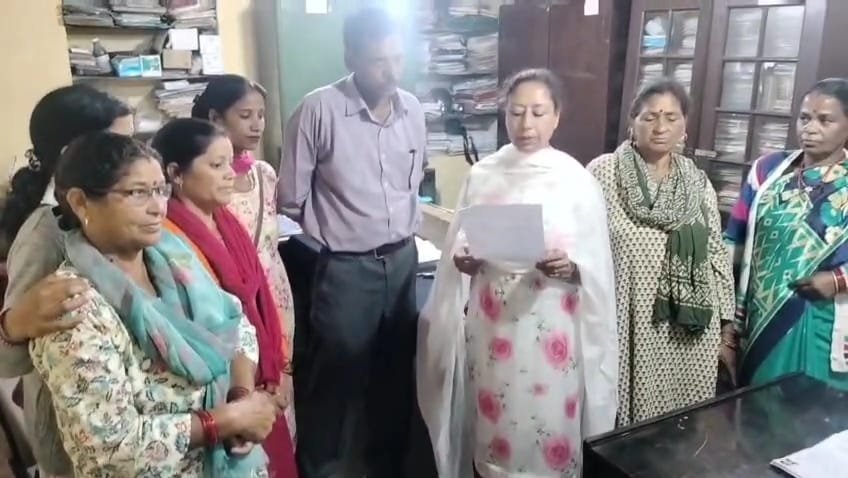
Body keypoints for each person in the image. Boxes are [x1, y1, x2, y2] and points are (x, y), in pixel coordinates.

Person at [30, 131, 277, 476]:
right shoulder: (75, 306)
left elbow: (237, 324)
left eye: (161, 190)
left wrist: (240, 396)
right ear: (81, 202)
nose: (157, 206)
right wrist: (225, 421)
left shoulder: (175, 261)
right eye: (137, 193)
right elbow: (109, 447)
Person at [417, 68, 618, 478]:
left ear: (556, 116)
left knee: (548, 430)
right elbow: (460, 242)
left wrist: (571, 266)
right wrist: (464, 259)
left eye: (538, 113)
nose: (526, 124)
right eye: (516, 112)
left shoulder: (576, 180)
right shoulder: (483, 174)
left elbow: (597, 264)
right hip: (493, 328)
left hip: (551, 327)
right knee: (497, 424)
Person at [277, 6, 427, 477]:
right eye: (379, 61)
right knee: (336, 377)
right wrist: (338, 231)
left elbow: (412, 185)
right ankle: (321, 468)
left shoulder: (413, 109)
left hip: (402, 261)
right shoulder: (318, 110)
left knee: (394, 372)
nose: (392, 72)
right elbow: (290, 198)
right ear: (351, 58)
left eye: (398, 59)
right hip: (345, 268)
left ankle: (385, 465)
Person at [151, 118, 298, 478]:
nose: (230, 174)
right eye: (216, 165)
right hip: (216, 388)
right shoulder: (167, 238)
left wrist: (278, 368)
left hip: (256, 374)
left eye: (229, 163)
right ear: (175, 173)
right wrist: (240, 396)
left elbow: (258, 300)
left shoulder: (226, 222)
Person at [0, 85, 134, 478]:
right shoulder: (47, 231)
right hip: (76, 426)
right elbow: (11, 355)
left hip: (125, 409)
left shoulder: (120, 210)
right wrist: (14, 324)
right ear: (71, 153)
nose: (135, 157)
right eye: (119, 147)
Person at [587, 78, 735, 427]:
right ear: (632, 122)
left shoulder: (697, 182)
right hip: (627, 322)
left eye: (671, 117)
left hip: (689, 330)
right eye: (650, 117)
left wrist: (727, 328)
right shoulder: (603, 172)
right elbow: (581, 245)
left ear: (684, 126)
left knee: (682, 429)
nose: (660, 127)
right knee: (626, 428)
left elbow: (715, 252)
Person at [727, 78, 848, 389]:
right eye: (805, 118)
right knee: (757, 406)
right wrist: (726, 325)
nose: (810, 128)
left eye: (825, 120)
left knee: (816, 413)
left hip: (824, 323)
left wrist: (836, 281)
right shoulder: (767, 171)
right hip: (758, 320)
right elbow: (733, 242)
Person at [191, 75, 296, 390]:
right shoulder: (205, 184)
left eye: (261, 115)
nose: (257, 125)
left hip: (273, 292)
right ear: (215, 118)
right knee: (243, 385)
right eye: (245, 115)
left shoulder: (264, 174)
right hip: (229, 298)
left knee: (280, 382)